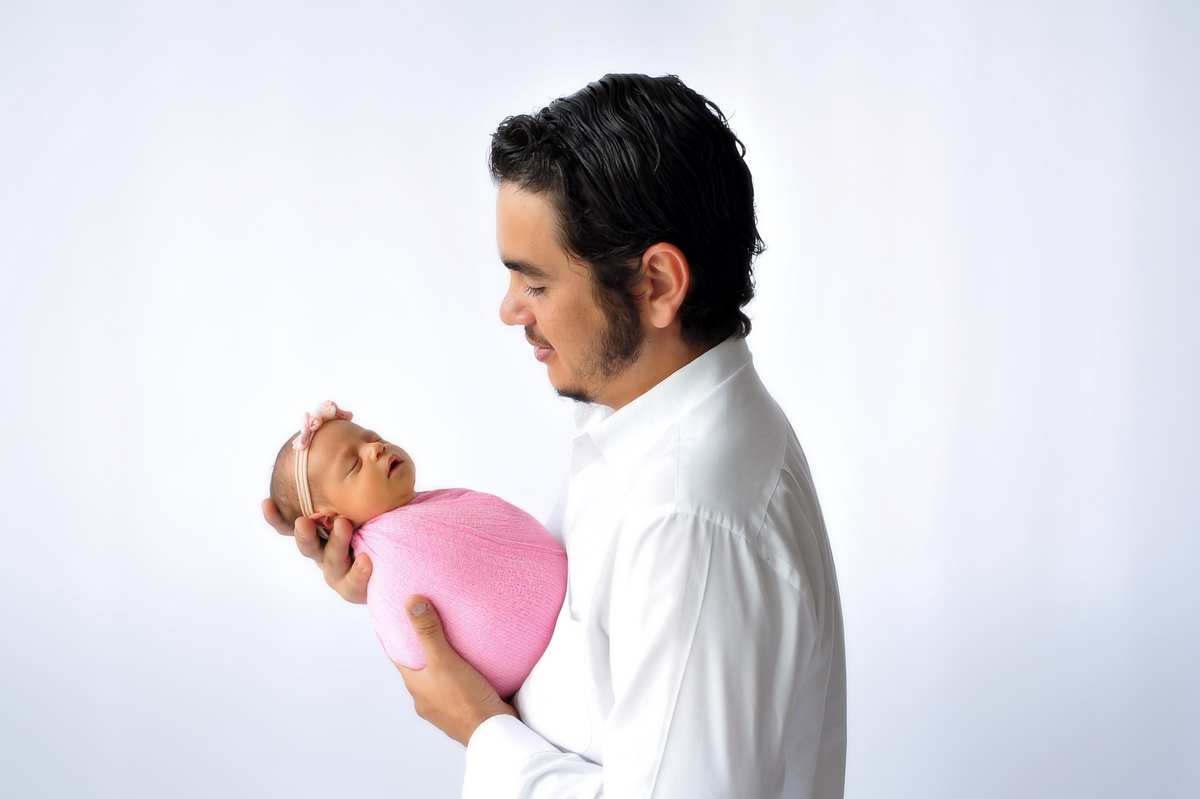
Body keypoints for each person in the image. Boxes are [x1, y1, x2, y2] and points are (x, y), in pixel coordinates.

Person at [263, 72, 846, 799]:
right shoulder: (634, 419)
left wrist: (482, 729)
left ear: (658, 283)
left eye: (534, 282)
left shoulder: (690, 521)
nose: (510, 310)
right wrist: (397, 565)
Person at [268, 400, 566, 699]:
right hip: (539, 672)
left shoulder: (429, 509)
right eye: (354, 464)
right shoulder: (392, 549)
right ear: (329, 520)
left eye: (373, 438)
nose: (376, 449)